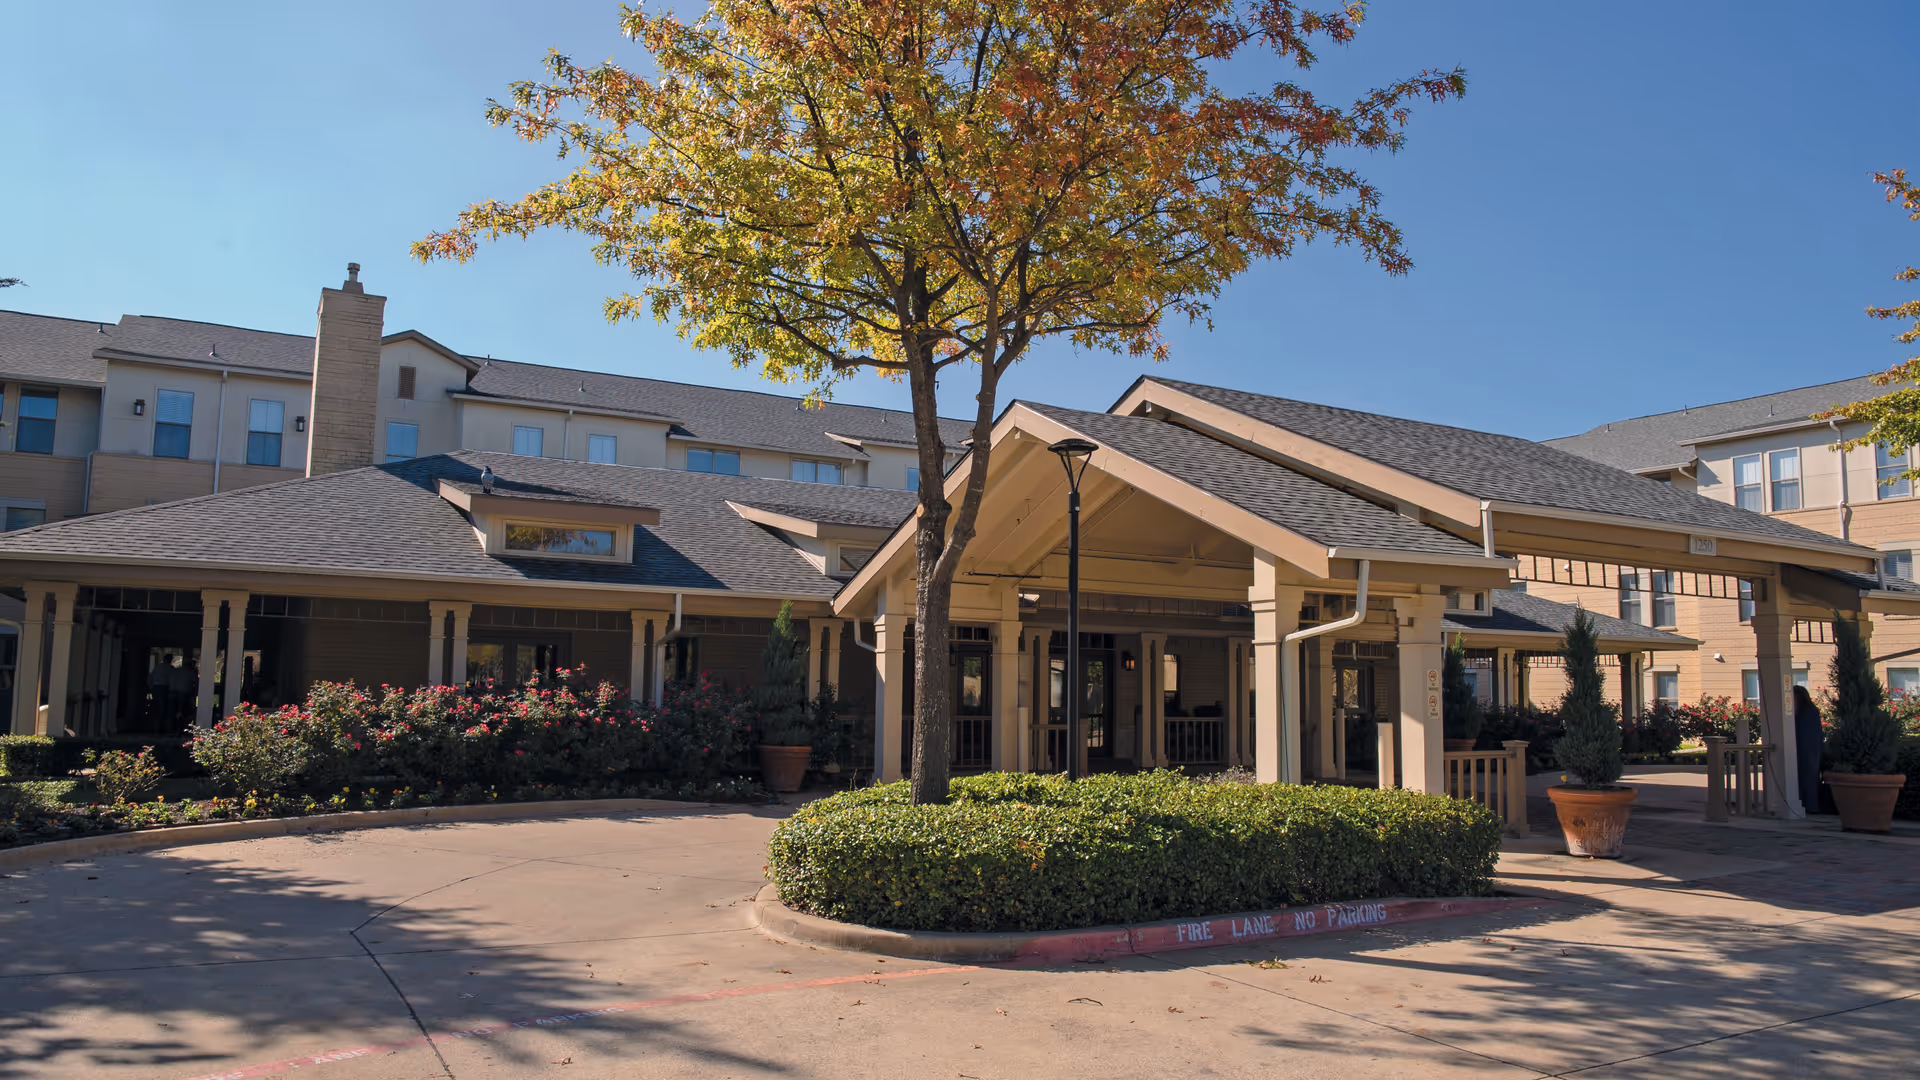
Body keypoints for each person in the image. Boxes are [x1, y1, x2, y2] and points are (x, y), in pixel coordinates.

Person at [1793, 684, 1823, 814]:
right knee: (1809, 777)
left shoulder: (1806, 713)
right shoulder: (1811, 711)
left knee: (1807, 777)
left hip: (1806, 749)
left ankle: (1810, 805)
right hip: (1811, 749)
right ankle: (1810, 804)